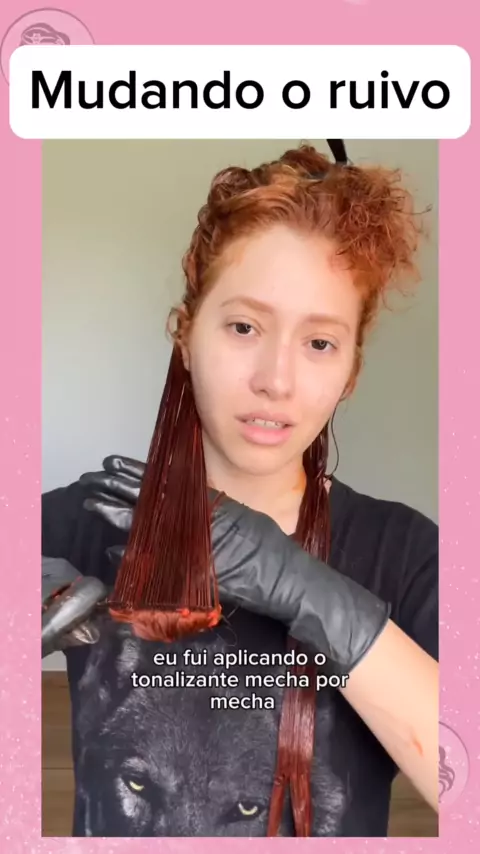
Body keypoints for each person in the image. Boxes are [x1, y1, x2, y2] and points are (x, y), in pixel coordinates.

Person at [42, 142, 438, 838]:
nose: (275, 380)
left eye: (320, 342)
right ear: (185, 332)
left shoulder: (405, 553)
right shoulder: (86, 522)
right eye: (244, 326)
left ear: (350, 370)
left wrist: (307, 590)